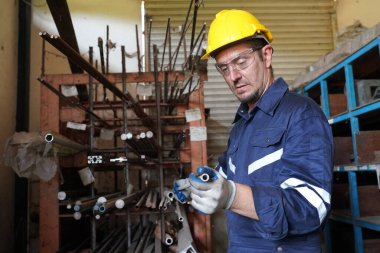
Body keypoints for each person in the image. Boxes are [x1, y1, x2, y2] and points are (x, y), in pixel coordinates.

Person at [188, 9, 334, 253]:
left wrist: (232, 196)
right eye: (224, 68)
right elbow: (226, 174)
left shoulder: (301, 115)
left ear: (266, 56)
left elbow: (312, 207)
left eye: (241, 62)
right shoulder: (241, 126)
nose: (233, 76)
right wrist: (201, 183)